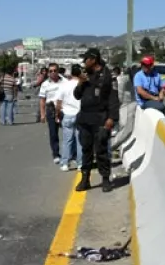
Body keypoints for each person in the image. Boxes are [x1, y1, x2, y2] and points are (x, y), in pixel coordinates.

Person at [74, 48, 119, 193]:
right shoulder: (85, 75)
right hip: (85, 119)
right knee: (86, 149)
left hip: (100, 118)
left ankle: (105, 179)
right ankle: (85, 179)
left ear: (93, 59)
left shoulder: (107, 75)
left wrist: (112, 118)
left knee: (101, 151)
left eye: (86, 59)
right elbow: (77, 95)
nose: (84, 62)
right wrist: (80, 83)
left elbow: (113, 98)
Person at [39, 63, 66, 164]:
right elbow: (42, 100)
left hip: (64, 109)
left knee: (68, 133)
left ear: (58, 71)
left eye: (55, 70)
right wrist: (42, 114)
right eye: (50, 71)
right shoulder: (45, 84)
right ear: (48, 72)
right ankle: (56, 154)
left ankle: (70, 154)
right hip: (51, 110)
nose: (53, 73)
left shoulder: (64, 82)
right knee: (53, 134)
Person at [57, 64, 83, 171]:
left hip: (67, 114)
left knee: (67, 140)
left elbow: (59, 102)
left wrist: (57, 115)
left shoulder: (64, 85)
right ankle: (80, 163)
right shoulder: (82, 85)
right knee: (80, 141)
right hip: (80, 114)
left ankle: (65, 163)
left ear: (71, 73)